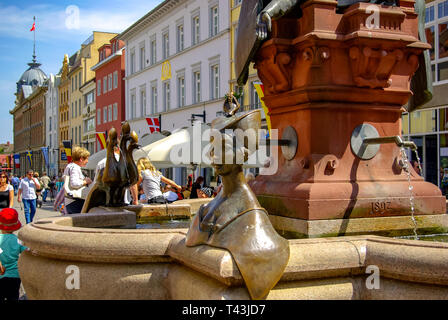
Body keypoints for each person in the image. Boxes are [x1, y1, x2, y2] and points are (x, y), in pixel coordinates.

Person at [0, 208, 28, 301]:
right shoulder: (18, 240)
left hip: (1, 275)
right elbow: (28, 251)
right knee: (13, 297)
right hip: (14, 276)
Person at [64, 146, 92, 214]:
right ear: (81, 159)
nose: (87, 161)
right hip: (76, 200)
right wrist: (86, 181)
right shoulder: (75, 168)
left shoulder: (69, 166)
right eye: (86, 159)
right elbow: (74, 183)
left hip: (70, 200)